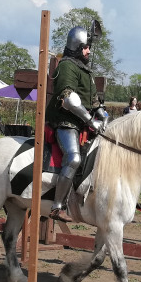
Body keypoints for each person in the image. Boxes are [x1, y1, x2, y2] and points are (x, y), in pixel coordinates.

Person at [46, 25, 104, 218]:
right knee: (74, 159)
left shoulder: (85, 71)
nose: (89, 50)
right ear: (78, 47)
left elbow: (94, 101)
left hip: (82, 122)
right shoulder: (66, 66)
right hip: (65, 121)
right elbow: (69, 98)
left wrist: (104, 116)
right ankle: (58, 204)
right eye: (86, 47)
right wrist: (90, 120)